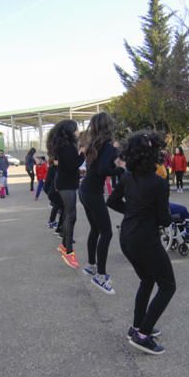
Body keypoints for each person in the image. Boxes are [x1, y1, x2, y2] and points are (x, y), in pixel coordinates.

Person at [107, 130, 174, 356]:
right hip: (145, 239)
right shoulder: (158, 183)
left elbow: (112, 201)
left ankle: (137, 326)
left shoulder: (127, 177)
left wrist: (133, 213)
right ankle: (143, 335)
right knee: (167, 286)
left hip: (127, 237)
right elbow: (164, 219)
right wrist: (163, 216)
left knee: (147, 279)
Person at [79, 111, 119, 294]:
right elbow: (104, 169)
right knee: (107, 232)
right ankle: (100, 276)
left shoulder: (94, 144)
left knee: (96, 229)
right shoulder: (107, 146)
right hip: (92, 193)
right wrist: (120, 170)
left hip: (85, 191)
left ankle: (91, 265)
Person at [48, 119, 84, 269]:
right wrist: (82, 154)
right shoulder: (67, 146)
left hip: (66, 184)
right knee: (71, 216)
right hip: (66, 185)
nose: (77, 132)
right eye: (76, 129)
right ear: (70, 131)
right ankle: (69, 252)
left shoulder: (63, 145)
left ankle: (64, 246)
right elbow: (72, 165)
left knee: (69, 215)